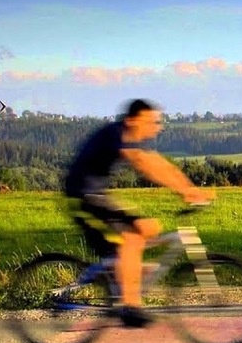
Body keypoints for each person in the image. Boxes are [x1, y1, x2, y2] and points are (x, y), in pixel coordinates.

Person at [64, 99, 215, 327]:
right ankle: (130, 307)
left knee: (143, 231)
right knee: (133, 235)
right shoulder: (118, 134)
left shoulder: (131, 138)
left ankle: (123, 274)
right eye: (152, 121)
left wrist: (190, 189)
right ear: (132, 120)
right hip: (82, 197)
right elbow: (145, 164)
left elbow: (161, 165)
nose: (157, 126)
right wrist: (185, 192)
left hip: (96, 195)